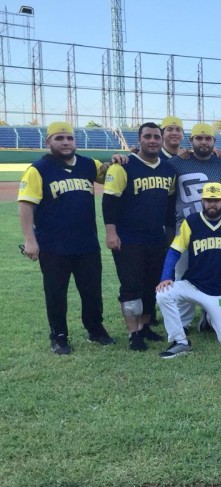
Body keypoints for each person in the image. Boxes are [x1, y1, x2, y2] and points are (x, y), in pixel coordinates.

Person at [18, 121, 114, 355]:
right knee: (55, 292)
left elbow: (111, 173)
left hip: (86, 243)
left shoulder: (88, 164)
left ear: (75, 141)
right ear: (48, 141)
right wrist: (30, 239)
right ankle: (59, 335)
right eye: (59, 138)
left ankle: (95, 329)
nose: (65, 142)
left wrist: (119, 160)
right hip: (53, 245)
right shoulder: (38, 169)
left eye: (69, 138)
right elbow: (26, 205)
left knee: (92, 291)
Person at [103, 122, 176, 351]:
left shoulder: (168, 169)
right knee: (131, 286)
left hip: (155, 238)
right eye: (148, 136)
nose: (153, 140)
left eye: (156, 136)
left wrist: (169, 236)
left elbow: (169, 207)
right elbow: (109, 203)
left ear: (162, 140)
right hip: (128, 238)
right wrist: (111, 233)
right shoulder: (122, 166)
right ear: (139, 139)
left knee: (151, 286)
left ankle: (145, 326)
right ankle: (133, 333)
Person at [155, 183, 221, 358]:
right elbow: (174, 251)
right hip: (193, 285)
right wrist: (166, 277)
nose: (212, 204)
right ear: (202, 201)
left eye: (216, 200)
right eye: (208, 200)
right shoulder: (192, 221)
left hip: (219, 291)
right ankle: (180, 341)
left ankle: (209, 318)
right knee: (163, 293)